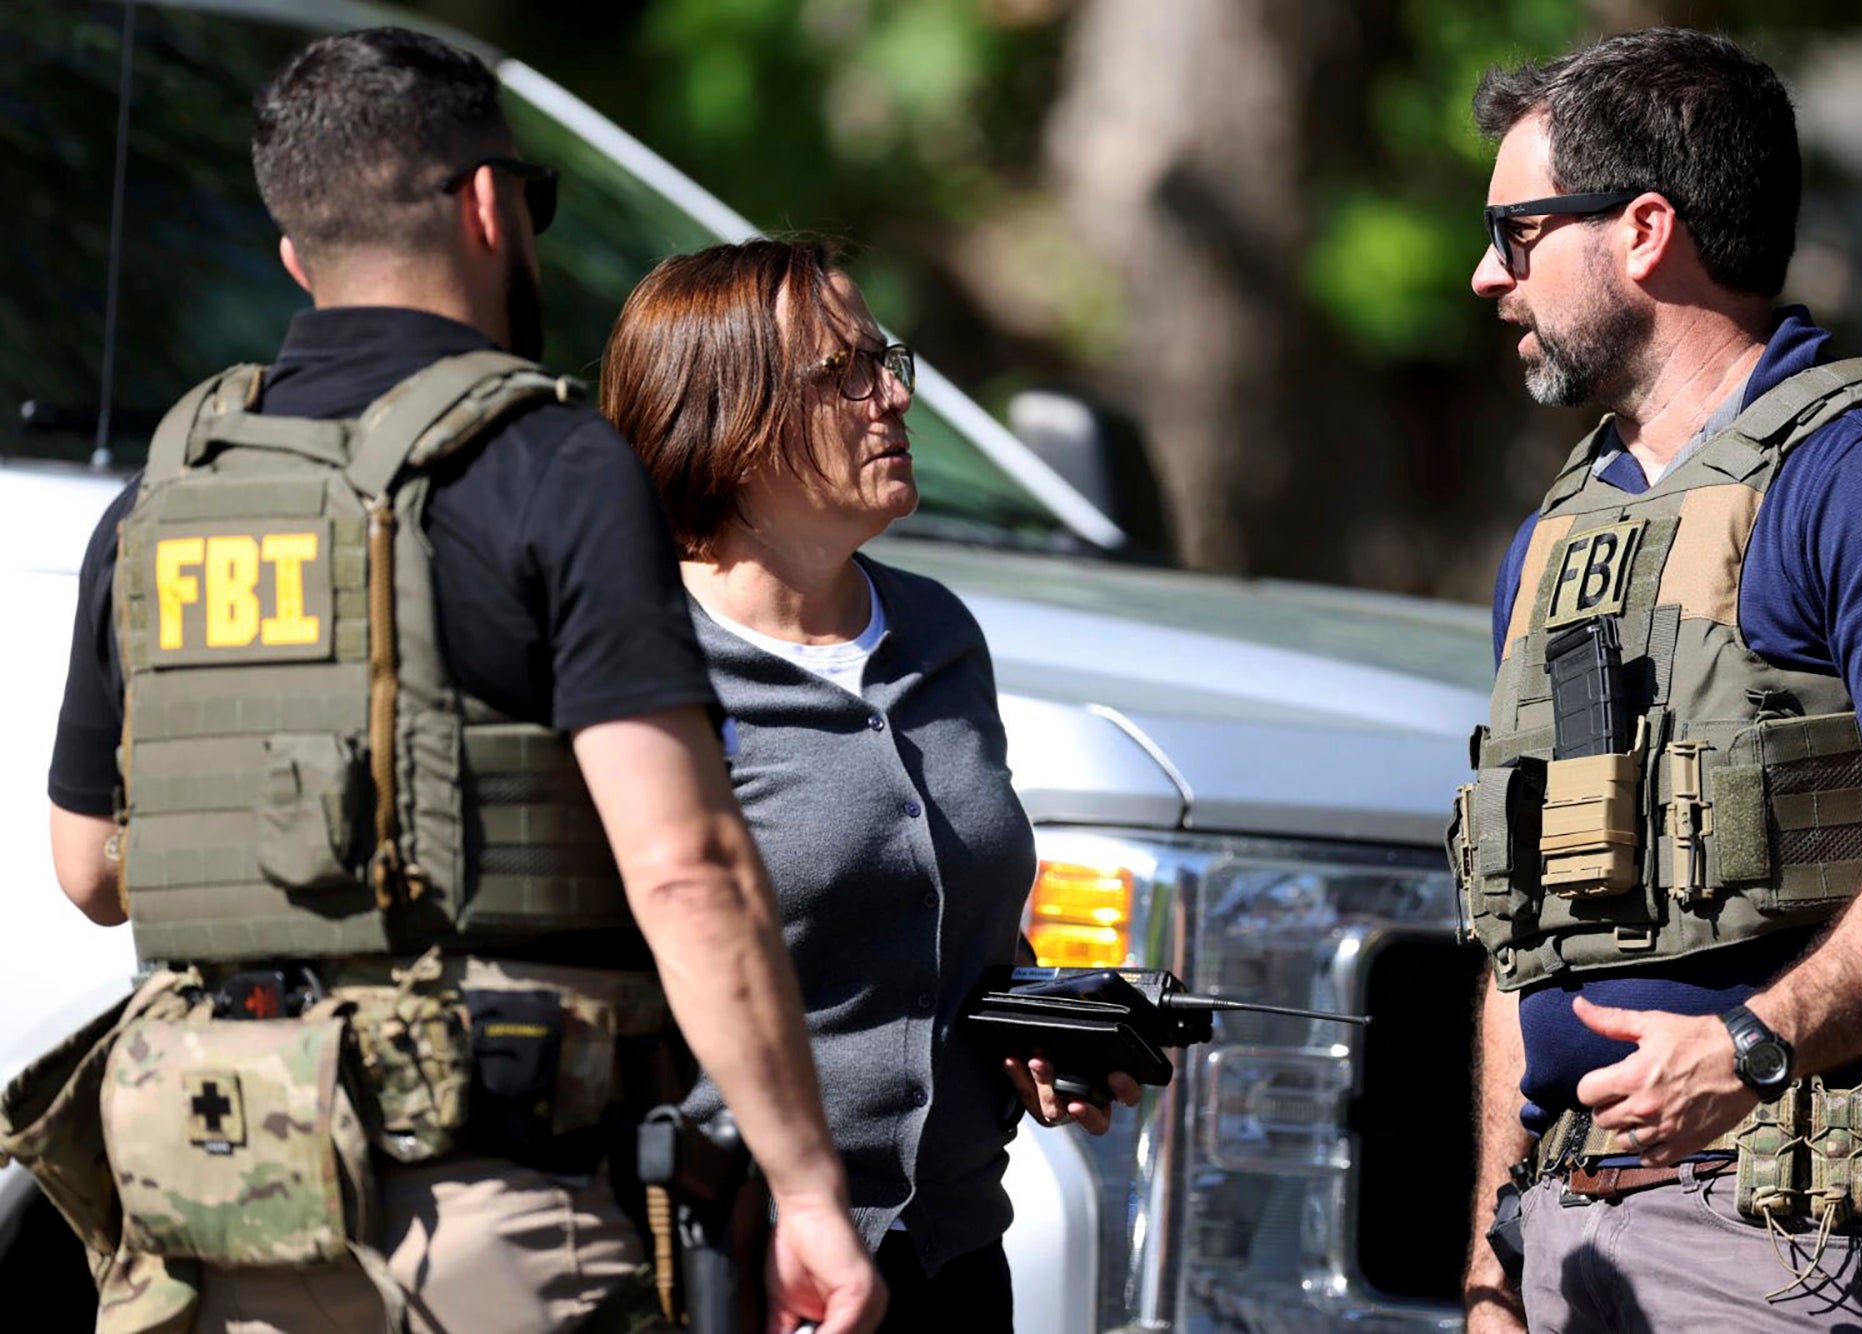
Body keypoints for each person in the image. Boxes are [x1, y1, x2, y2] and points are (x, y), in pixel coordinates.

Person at [33, 29, 884, 1334]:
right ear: (490, 206)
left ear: (295, 256)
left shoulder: (164, 491)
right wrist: (808, 1190)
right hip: (481, 1223)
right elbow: (686, 870)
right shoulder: (550, 463)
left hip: (208, 1227)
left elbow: (89, 867)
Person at [1454, 26, 1862, 1334]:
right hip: (1570, 1234)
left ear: (1644, 228)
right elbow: (1518, 955)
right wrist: (1493, 1268)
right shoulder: (1557, 536)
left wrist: (1756, 1043)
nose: (1485, 277)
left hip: (1789, 1238)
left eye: (1516, 234)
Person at [598, 239, 1140, 1332]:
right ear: (727, 417)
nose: (891, 395)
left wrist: (1032, 1023)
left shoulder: (938, 632)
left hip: (949, 1258)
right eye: (842, 373)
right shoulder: (638, 656)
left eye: (883, 359)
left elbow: (947, 924)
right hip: (734, 1266)